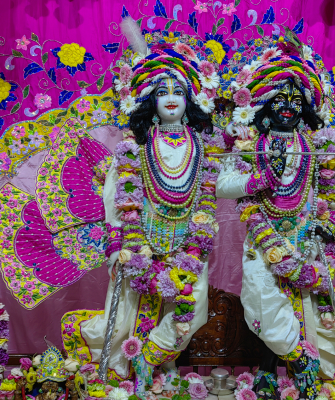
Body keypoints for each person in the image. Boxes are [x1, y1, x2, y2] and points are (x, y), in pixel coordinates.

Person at [216, 36, 335, 400]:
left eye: (296, 101)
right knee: (262, 304)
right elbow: (222, 184)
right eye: (280, 100)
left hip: (305, 237)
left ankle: (272, 374)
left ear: (307, 108)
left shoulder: (316, 145)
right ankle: (301, 362)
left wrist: (332, 222)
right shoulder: (250, 144)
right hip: (261, 239)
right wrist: (259, 180)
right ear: (264, 104)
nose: (288, 107)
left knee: (301, 310)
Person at [77, 19, 224, 394]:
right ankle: (138, 371)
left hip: (189, 242)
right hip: (139, 239)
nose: (171, 97)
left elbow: (218, 187)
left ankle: (151, 358)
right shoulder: (135, 147)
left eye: (179, 90)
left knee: (192, 310)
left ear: (190, 100)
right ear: (150, 101)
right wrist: (117, 244)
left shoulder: (203, 148)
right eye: (162, 91)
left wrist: (257, 180)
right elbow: (115, 194)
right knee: (132, 310)